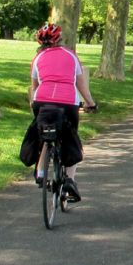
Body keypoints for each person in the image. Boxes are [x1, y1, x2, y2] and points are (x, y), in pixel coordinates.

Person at [29, 23, 97, 202]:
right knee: (70, 138)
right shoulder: (71, 56)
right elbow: (81, 84)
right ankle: (69, 180)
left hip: (41, 101)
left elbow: (35, 86)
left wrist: (33, 103)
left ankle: (40, 172)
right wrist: (90, 103)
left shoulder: (37, 58)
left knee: (44, 135)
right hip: (67, 104)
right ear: (60, 40)